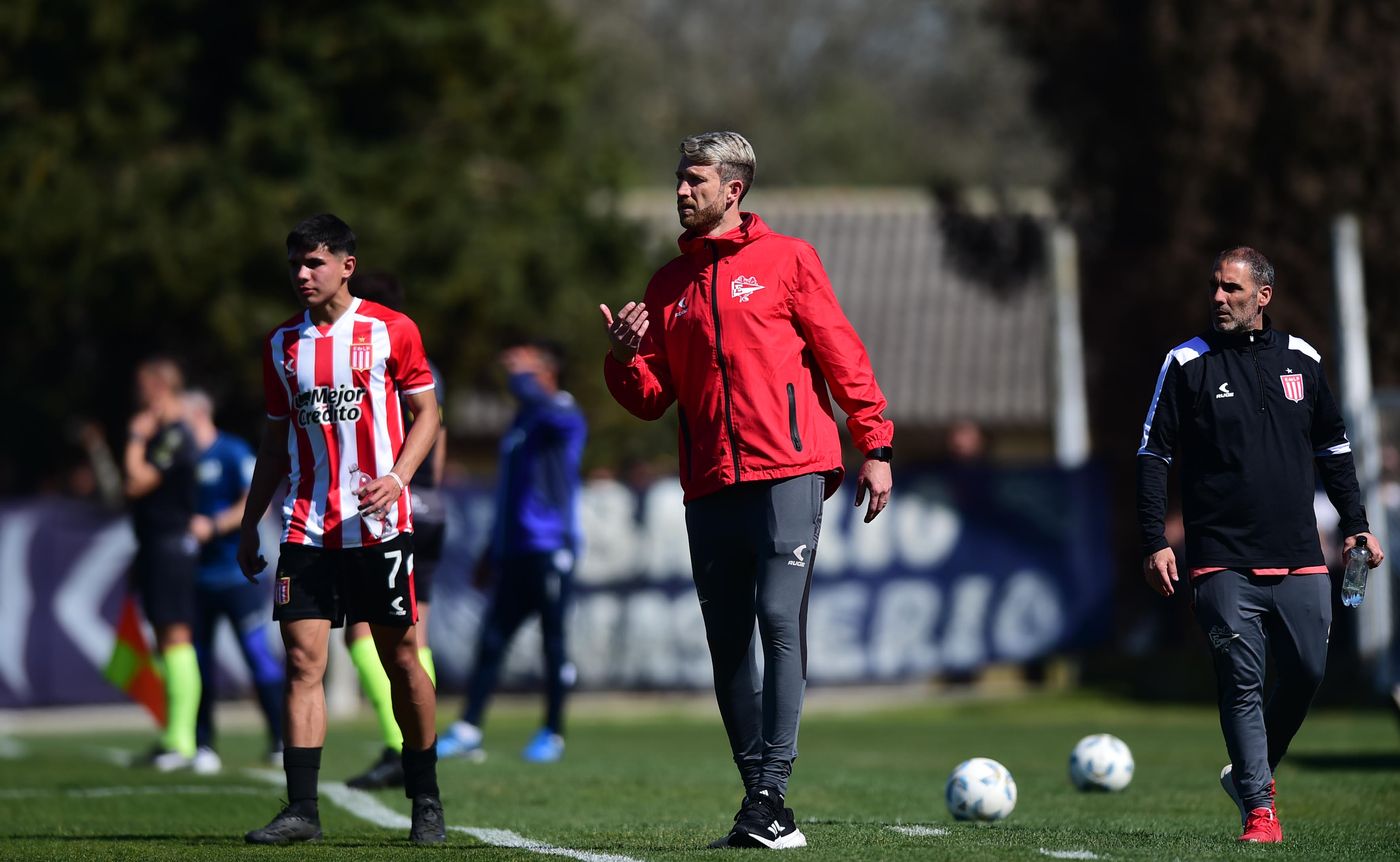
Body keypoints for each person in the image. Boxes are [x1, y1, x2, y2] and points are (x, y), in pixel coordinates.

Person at [598, 131, 894, 849]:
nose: (680, 190)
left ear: (734, 189)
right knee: (727, 639)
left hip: (790, 467)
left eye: (694, 179)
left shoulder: (789, 260)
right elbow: (651, 399)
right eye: (678, 178)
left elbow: (841, 351)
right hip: (709, 483)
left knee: (776, 615)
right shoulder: (667, 285)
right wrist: (624, 358)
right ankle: (759, 800)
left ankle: (771, 791)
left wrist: (874, 442)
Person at [1137, 246, 1385, 844]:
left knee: (1306, 670)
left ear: (1263, 297)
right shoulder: (1186, 362)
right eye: (1215, 288)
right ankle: (1259, 809)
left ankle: (1249, 773)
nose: (1219, 299)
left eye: (1232, 290)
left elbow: (1334, 448)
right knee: (1242, 681)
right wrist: (1154, 539)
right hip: (1222, 558)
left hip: (1301, 552)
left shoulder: (1303, 359)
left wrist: (1356, 522)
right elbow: (1153, 453)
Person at [237, 214, 445, 845]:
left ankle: (426, 796)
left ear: (346, 266)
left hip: (378, 527)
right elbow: (275, 444)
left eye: (315, 262)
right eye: (296, 264)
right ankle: (302, 808)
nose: (302, 274)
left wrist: (400, 477)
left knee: (400, 658)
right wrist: (251, 524)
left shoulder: (390, 329)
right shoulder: (281, 345)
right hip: (305, 528)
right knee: (304, 662)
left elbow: (428, 413)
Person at [437, 340, 587, 764]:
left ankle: (553, 733)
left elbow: (534, 397)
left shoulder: (562, 414)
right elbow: (510, 494)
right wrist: (492, 548)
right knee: (491, 640)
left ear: (547, 372)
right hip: (515, 549)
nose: (515, 376)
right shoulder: (523, 420)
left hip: (550, 547)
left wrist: (522, 374)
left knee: (553, 644)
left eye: (526, 367)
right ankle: (468, 728)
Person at [340, 271, 448, 790]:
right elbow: (439, 430)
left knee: (366, 633)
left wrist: (402, 483)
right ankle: (423, 737)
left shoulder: (378, 348)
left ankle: (399, 742)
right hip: (428, 504)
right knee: (412, 630)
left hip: (393, 503)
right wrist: (430, 489)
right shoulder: (424, 358)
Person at [183, 389, 285, 774]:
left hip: (235, 576)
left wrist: (213, 525)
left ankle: (278, 737)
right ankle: (203, 742)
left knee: (257, 656)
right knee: (199, 663)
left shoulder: (233, 451)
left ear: (199, 415)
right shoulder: (183, 458)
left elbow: (253, 501)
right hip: (196, 578)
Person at [123, 357, 202, 771]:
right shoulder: (167, 434)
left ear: (158, 387)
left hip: (171, 545)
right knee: (165, 638)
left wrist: (136, 437)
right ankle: (173, 734)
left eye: (143, 386)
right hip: (155, 544)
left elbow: (135, 481)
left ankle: (182, 741)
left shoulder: (174, 435)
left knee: (176, 636)